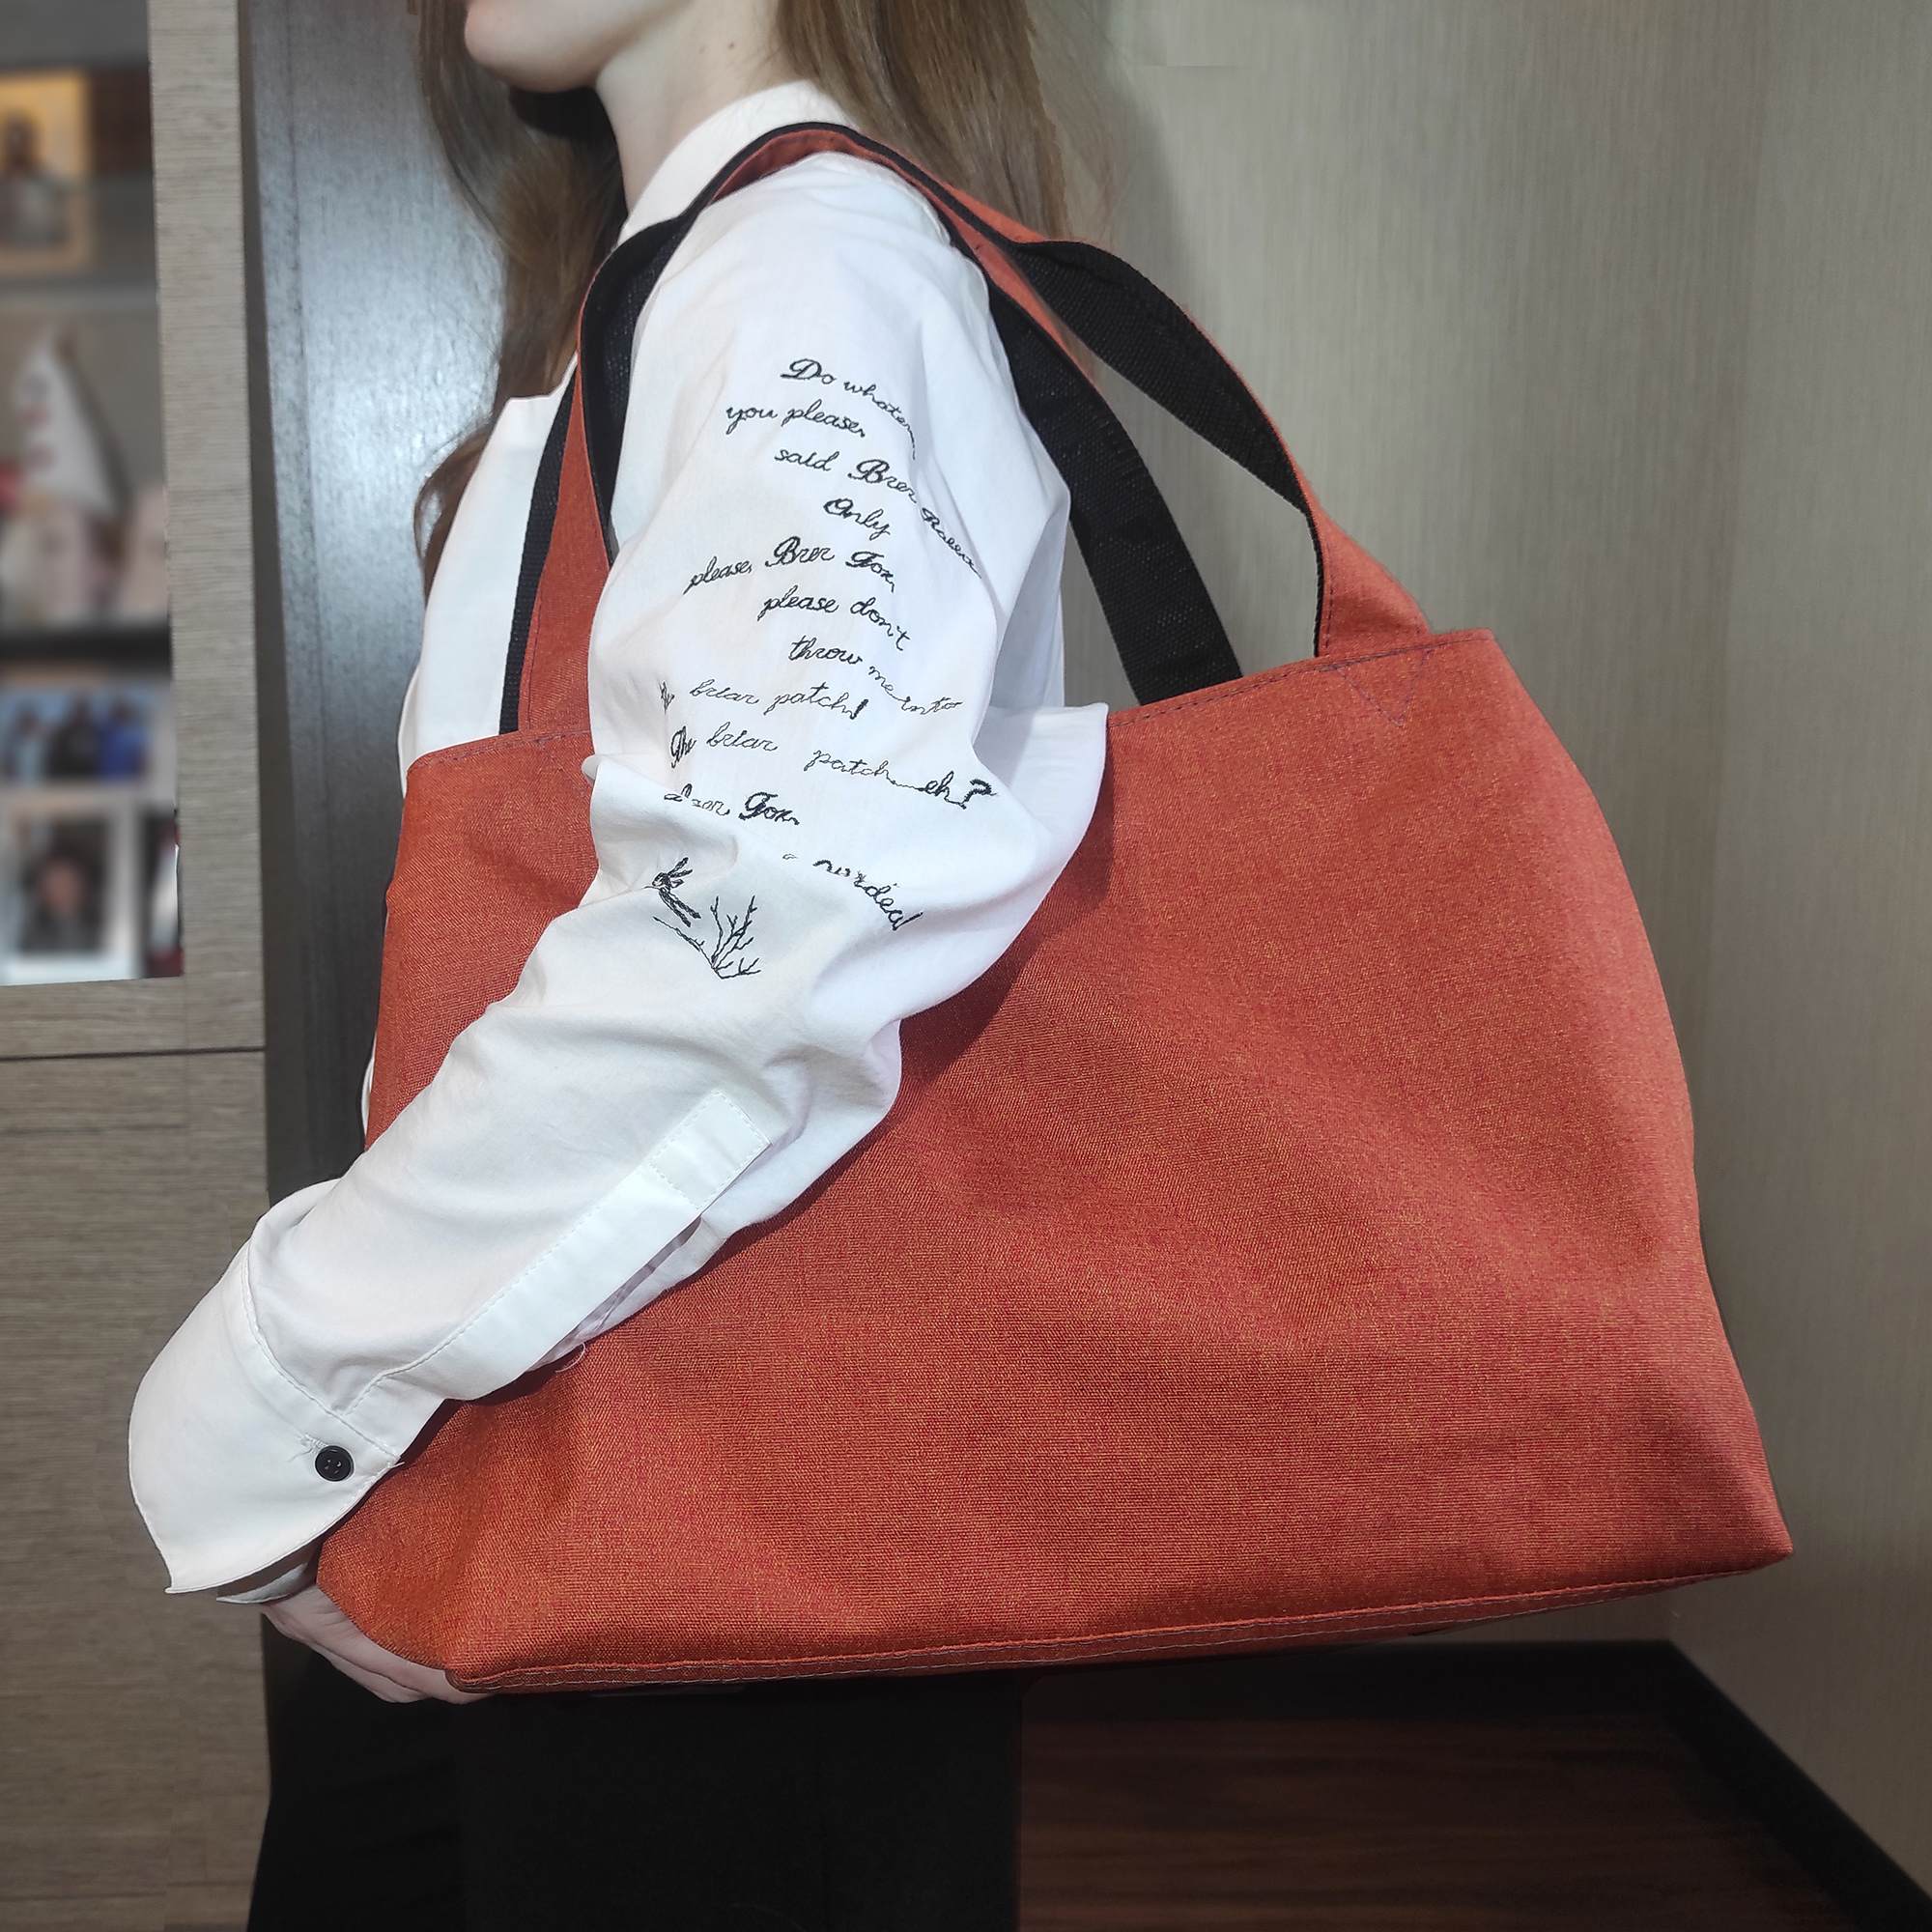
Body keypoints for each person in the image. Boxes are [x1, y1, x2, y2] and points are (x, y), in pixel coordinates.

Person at [126, 1, 1109, 1925]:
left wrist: (275, 1379)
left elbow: (749, 934)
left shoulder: (805, 273)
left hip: (714, 1508)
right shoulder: (700, 284)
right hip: (575, 1451)